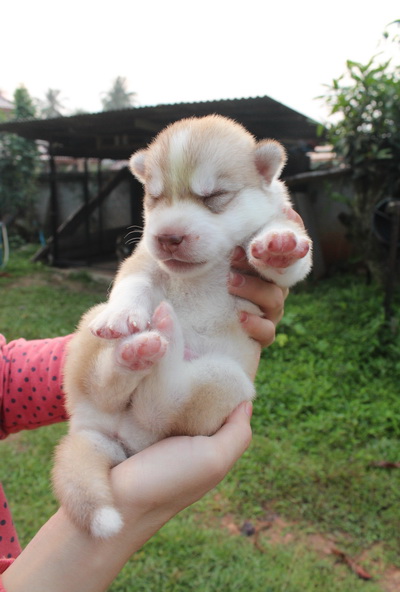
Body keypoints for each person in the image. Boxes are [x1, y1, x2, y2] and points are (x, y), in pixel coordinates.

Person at [0, 247, 287, 592]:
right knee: (228, 385)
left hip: (123, 405)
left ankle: (123, 373)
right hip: (155, 419)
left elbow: (6, 375)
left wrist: (126, 326)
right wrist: (131, 501)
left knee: (101, 321)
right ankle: (142, 381)